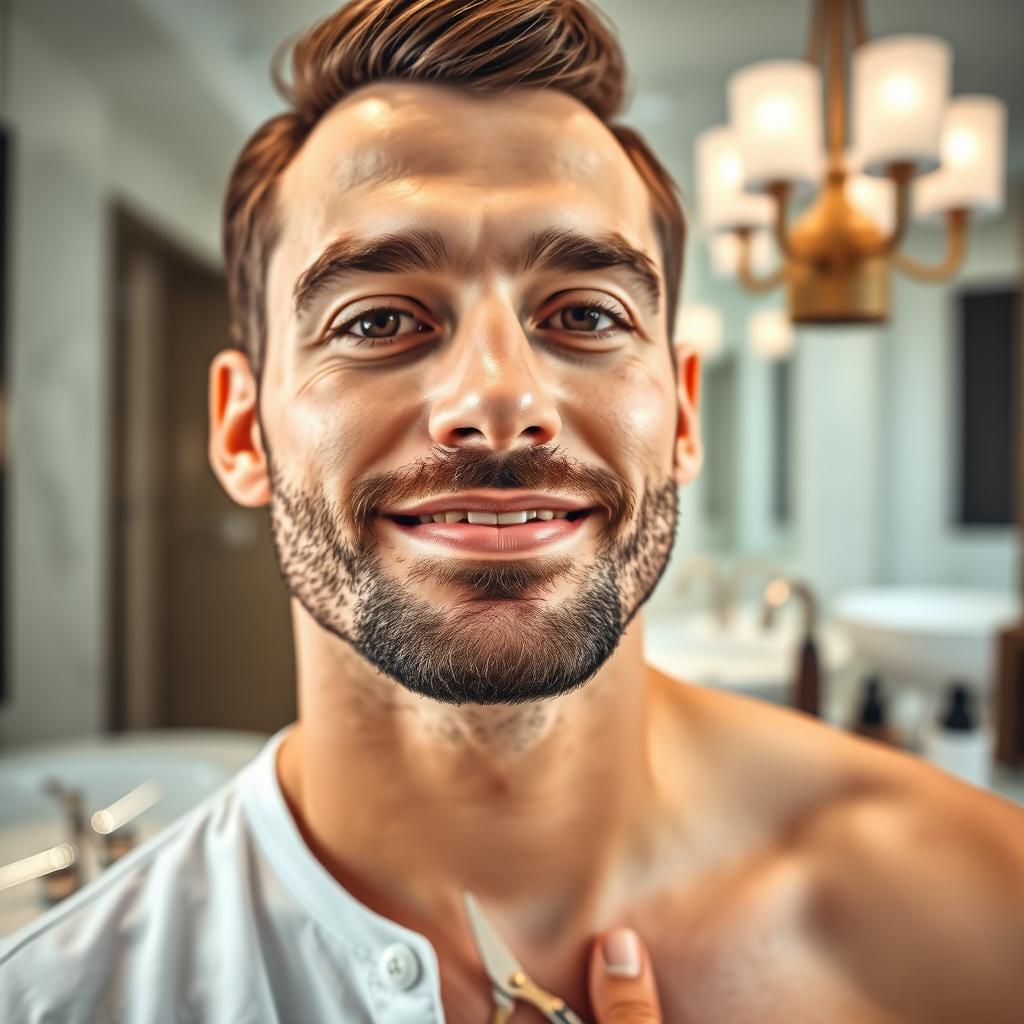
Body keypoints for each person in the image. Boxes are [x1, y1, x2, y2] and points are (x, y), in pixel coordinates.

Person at [2, 0, 1023, 1021]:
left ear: (682, 413)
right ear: (240, 431)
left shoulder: (981, 913)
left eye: (584, 314)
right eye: (377, 319)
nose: (500, 400)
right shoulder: (60, 998)